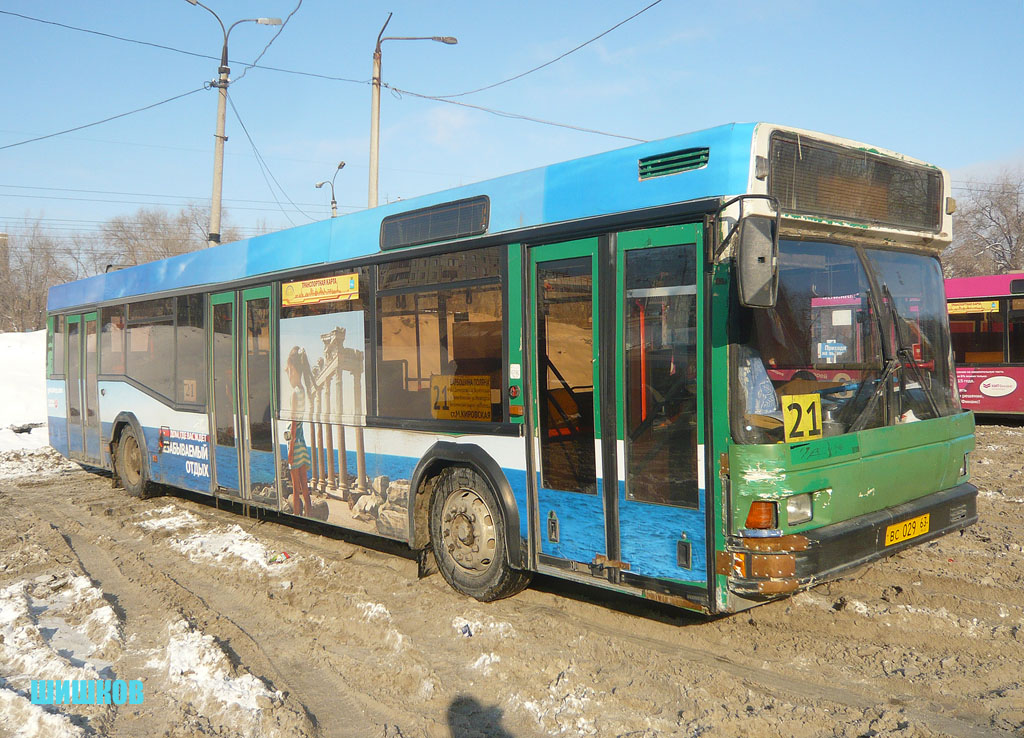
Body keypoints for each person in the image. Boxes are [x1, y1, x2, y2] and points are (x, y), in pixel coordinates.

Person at [285, 346, 314, 516]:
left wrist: (290, 449)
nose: (287, 375)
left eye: (288, 371)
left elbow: (293, 423)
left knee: (296, 489)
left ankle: (297, 516)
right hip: (302, 443)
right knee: (305, 486)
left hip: (295, 444)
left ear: (294, 370)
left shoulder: (294, 394)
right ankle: (309, 514)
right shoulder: (302, 391)